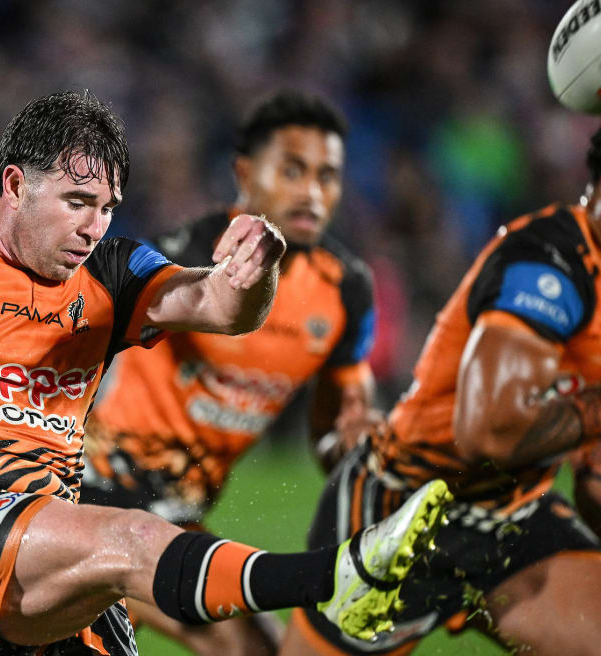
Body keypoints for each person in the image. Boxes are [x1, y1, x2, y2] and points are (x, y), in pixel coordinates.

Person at [0, 91, 450, 656]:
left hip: (52, 563)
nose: (95, 225)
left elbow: (215, 302)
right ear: (14, 184)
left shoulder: (114, 275)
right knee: (133, 537)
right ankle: (341, 575)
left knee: (124, 552)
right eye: (78, 201)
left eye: (108, 206)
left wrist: (253, 271)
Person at [281, 102, 601, 655]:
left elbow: (595, 376)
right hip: (404, 510)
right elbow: (487, 433)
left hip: (509, 514)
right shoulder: (548, 267)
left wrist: (590, 477)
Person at [77, 91, 378, 655]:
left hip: (178, 517)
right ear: (244, 171)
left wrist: (359, 440)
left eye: (328, 175)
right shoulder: (187, 255)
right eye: (292, 170)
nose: (313, 191)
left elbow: (337, 429)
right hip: (94, 498)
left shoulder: (346, 291)